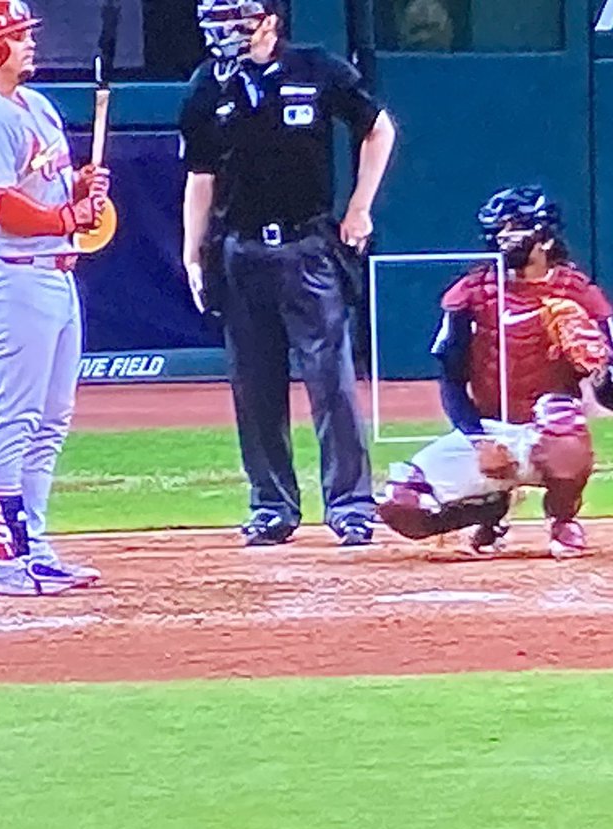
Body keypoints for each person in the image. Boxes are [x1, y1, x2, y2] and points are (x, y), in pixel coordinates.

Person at [180, 0, 397, 547]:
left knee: (331, 383)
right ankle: (271, 505)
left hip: (306, 244)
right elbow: (200, 176)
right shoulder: (209, 84)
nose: (224, 32)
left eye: (236, 19)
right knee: (254, 387)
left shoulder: (316, 67)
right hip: (240, 249)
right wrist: (192, 252)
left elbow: (377, 129)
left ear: (269, 21)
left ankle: (350, 505)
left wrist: (360, 206)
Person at [0, 0, 108, 596]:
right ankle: (4, 558)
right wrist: (65, 213)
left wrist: (80, 187)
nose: (30, 44)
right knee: (14, 417)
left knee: (51, 419)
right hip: (11, 277)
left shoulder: (36, 106)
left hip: (54, 274)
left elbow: (43, 185)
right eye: (18, 37)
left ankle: (34, 544)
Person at [377, 185, 613, 558]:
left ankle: (563, 519)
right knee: (400, 503)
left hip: (547, 432)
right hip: (488, 428)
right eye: (500, 229)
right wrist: (478, 440)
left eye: (515, 228)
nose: (504, 237)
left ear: (546, 239)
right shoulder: (471, 293)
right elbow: (452, 379)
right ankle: (489, 509)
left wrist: (601, 372)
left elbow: (609, 397)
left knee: (561, 419)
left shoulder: (580, 293)